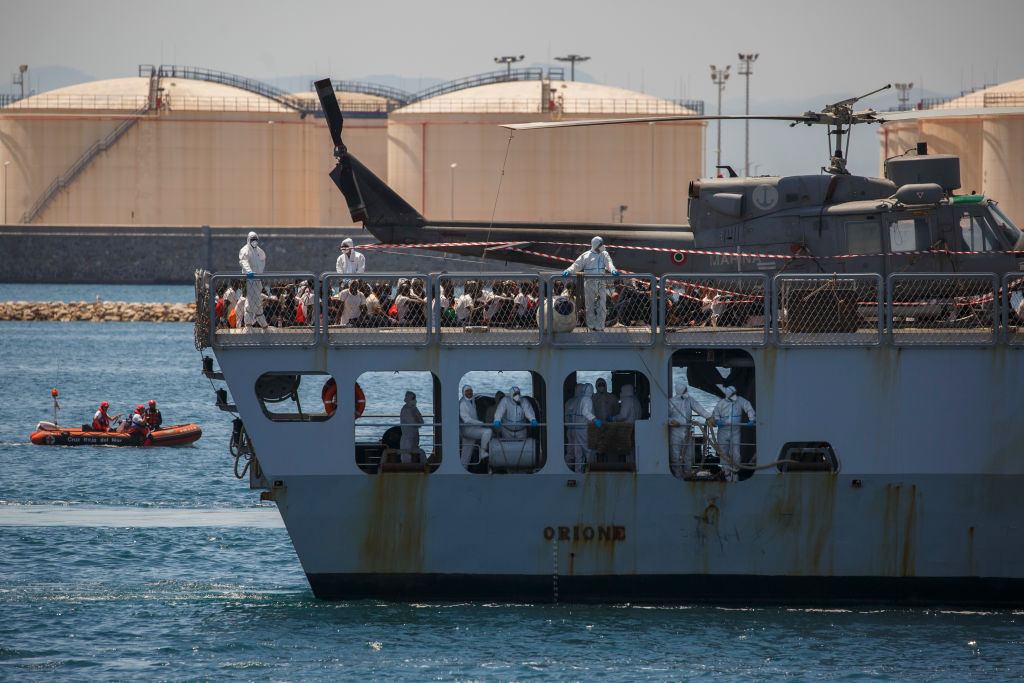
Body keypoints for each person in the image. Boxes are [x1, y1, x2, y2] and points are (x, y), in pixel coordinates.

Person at [562, 236, 620, 331]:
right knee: (589, 306)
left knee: (602, 306)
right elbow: (576, 265)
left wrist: (613, 270)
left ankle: (600, 327)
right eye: (601, 244)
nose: (602, 246)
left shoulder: (604, 254)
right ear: (595, 245)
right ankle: (591, 326)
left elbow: (609, 263)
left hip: (601, 284)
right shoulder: (586, 255)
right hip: (589, 284)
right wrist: (568, 270)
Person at [668, 382, 713, 479]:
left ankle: (687, 475)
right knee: (675, 455)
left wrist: (709, 417)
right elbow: (664, 417)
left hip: (687, 430)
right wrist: (671, 421)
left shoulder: (689, 400)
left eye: (686, 390)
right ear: (680, 391)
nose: (686, 392)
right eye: (685, 390)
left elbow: (699, 408)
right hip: (675, 432)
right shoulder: (671, 402)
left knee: (688, 456)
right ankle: (677, 476)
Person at [711, 386, 756, 482]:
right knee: (723, 453)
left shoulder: (740, 401)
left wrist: (752, 419)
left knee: (736, 453)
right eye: (733, 394)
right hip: (723, 431)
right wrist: (717, 420)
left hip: (735, 430)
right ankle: (726, 473)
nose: (735, 395)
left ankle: (735, 473)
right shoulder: (721, 403)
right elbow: (715, 413)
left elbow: (748, 407)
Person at [238, 231, 268, 328]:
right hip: (249, 280)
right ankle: (249, 324)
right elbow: (244, 262)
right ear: (248, 240)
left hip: (257, 280)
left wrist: (260, 275)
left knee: (257, 300)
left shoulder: (258, 251)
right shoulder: (245, 250)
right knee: (251, 302)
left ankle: (261, 324)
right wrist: (249, 271)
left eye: (256, 239)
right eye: (252, 239)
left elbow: (262, 259)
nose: (254, 241)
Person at [458, 385, 492, 466]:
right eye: (467, 391)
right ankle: (482, 452)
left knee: (466, 454)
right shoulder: (463, 403)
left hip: (472, 429)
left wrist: (479, 425)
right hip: (468, 431)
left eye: (470, 391)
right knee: (488, 432)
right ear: (463, 392)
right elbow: (466, 420)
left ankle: (463, 468)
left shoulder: (471, 401)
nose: (470, 392)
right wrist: (480, 423)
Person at [398, 391, 424, 463]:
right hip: (407, 439)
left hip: (414, 437)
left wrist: (415, 411)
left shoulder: (414, 409)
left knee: (414, 457)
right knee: (407, 459)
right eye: (413, 399)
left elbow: (421, 422)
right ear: (409, 400)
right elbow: (415, 423)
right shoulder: (405, 410)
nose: (415, 401)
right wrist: (417, 420)